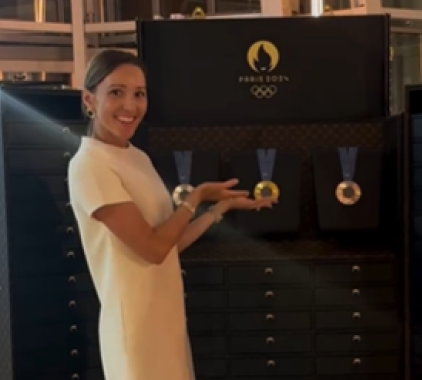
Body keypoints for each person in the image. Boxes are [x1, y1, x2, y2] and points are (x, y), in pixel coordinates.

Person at [67, 49, 274, 380]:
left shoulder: (136, 157)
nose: (130, 106)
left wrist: (217, 210)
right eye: (116, 92)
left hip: (165, 317)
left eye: (139, 94)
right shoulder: (90, 166)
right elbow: (152, 248)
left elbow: (168, 245)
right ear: (89, 100)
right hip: (135, 325)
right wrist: (196, 197)